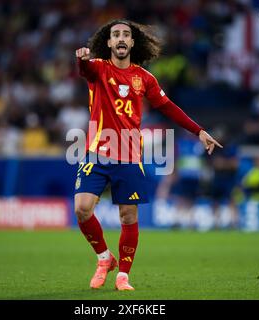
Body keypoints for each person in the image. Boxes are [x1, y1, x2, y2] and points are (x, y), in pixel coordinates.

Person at [74, 19, 222, 291]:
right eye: (115, 34)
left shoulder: (144, 78)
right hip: (97, 153)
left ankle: (123, 276)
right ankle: (104, 258)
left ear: (132, 43)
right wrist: (82, 59)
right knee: (82, 209)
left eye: (125, 35)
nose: (120, 38)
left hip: (129, 156)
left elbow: (168, 107)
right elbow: (84, 69)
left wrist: (198, 131)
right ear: (108, 43)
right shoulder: (97, 68)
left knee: (128, 217)